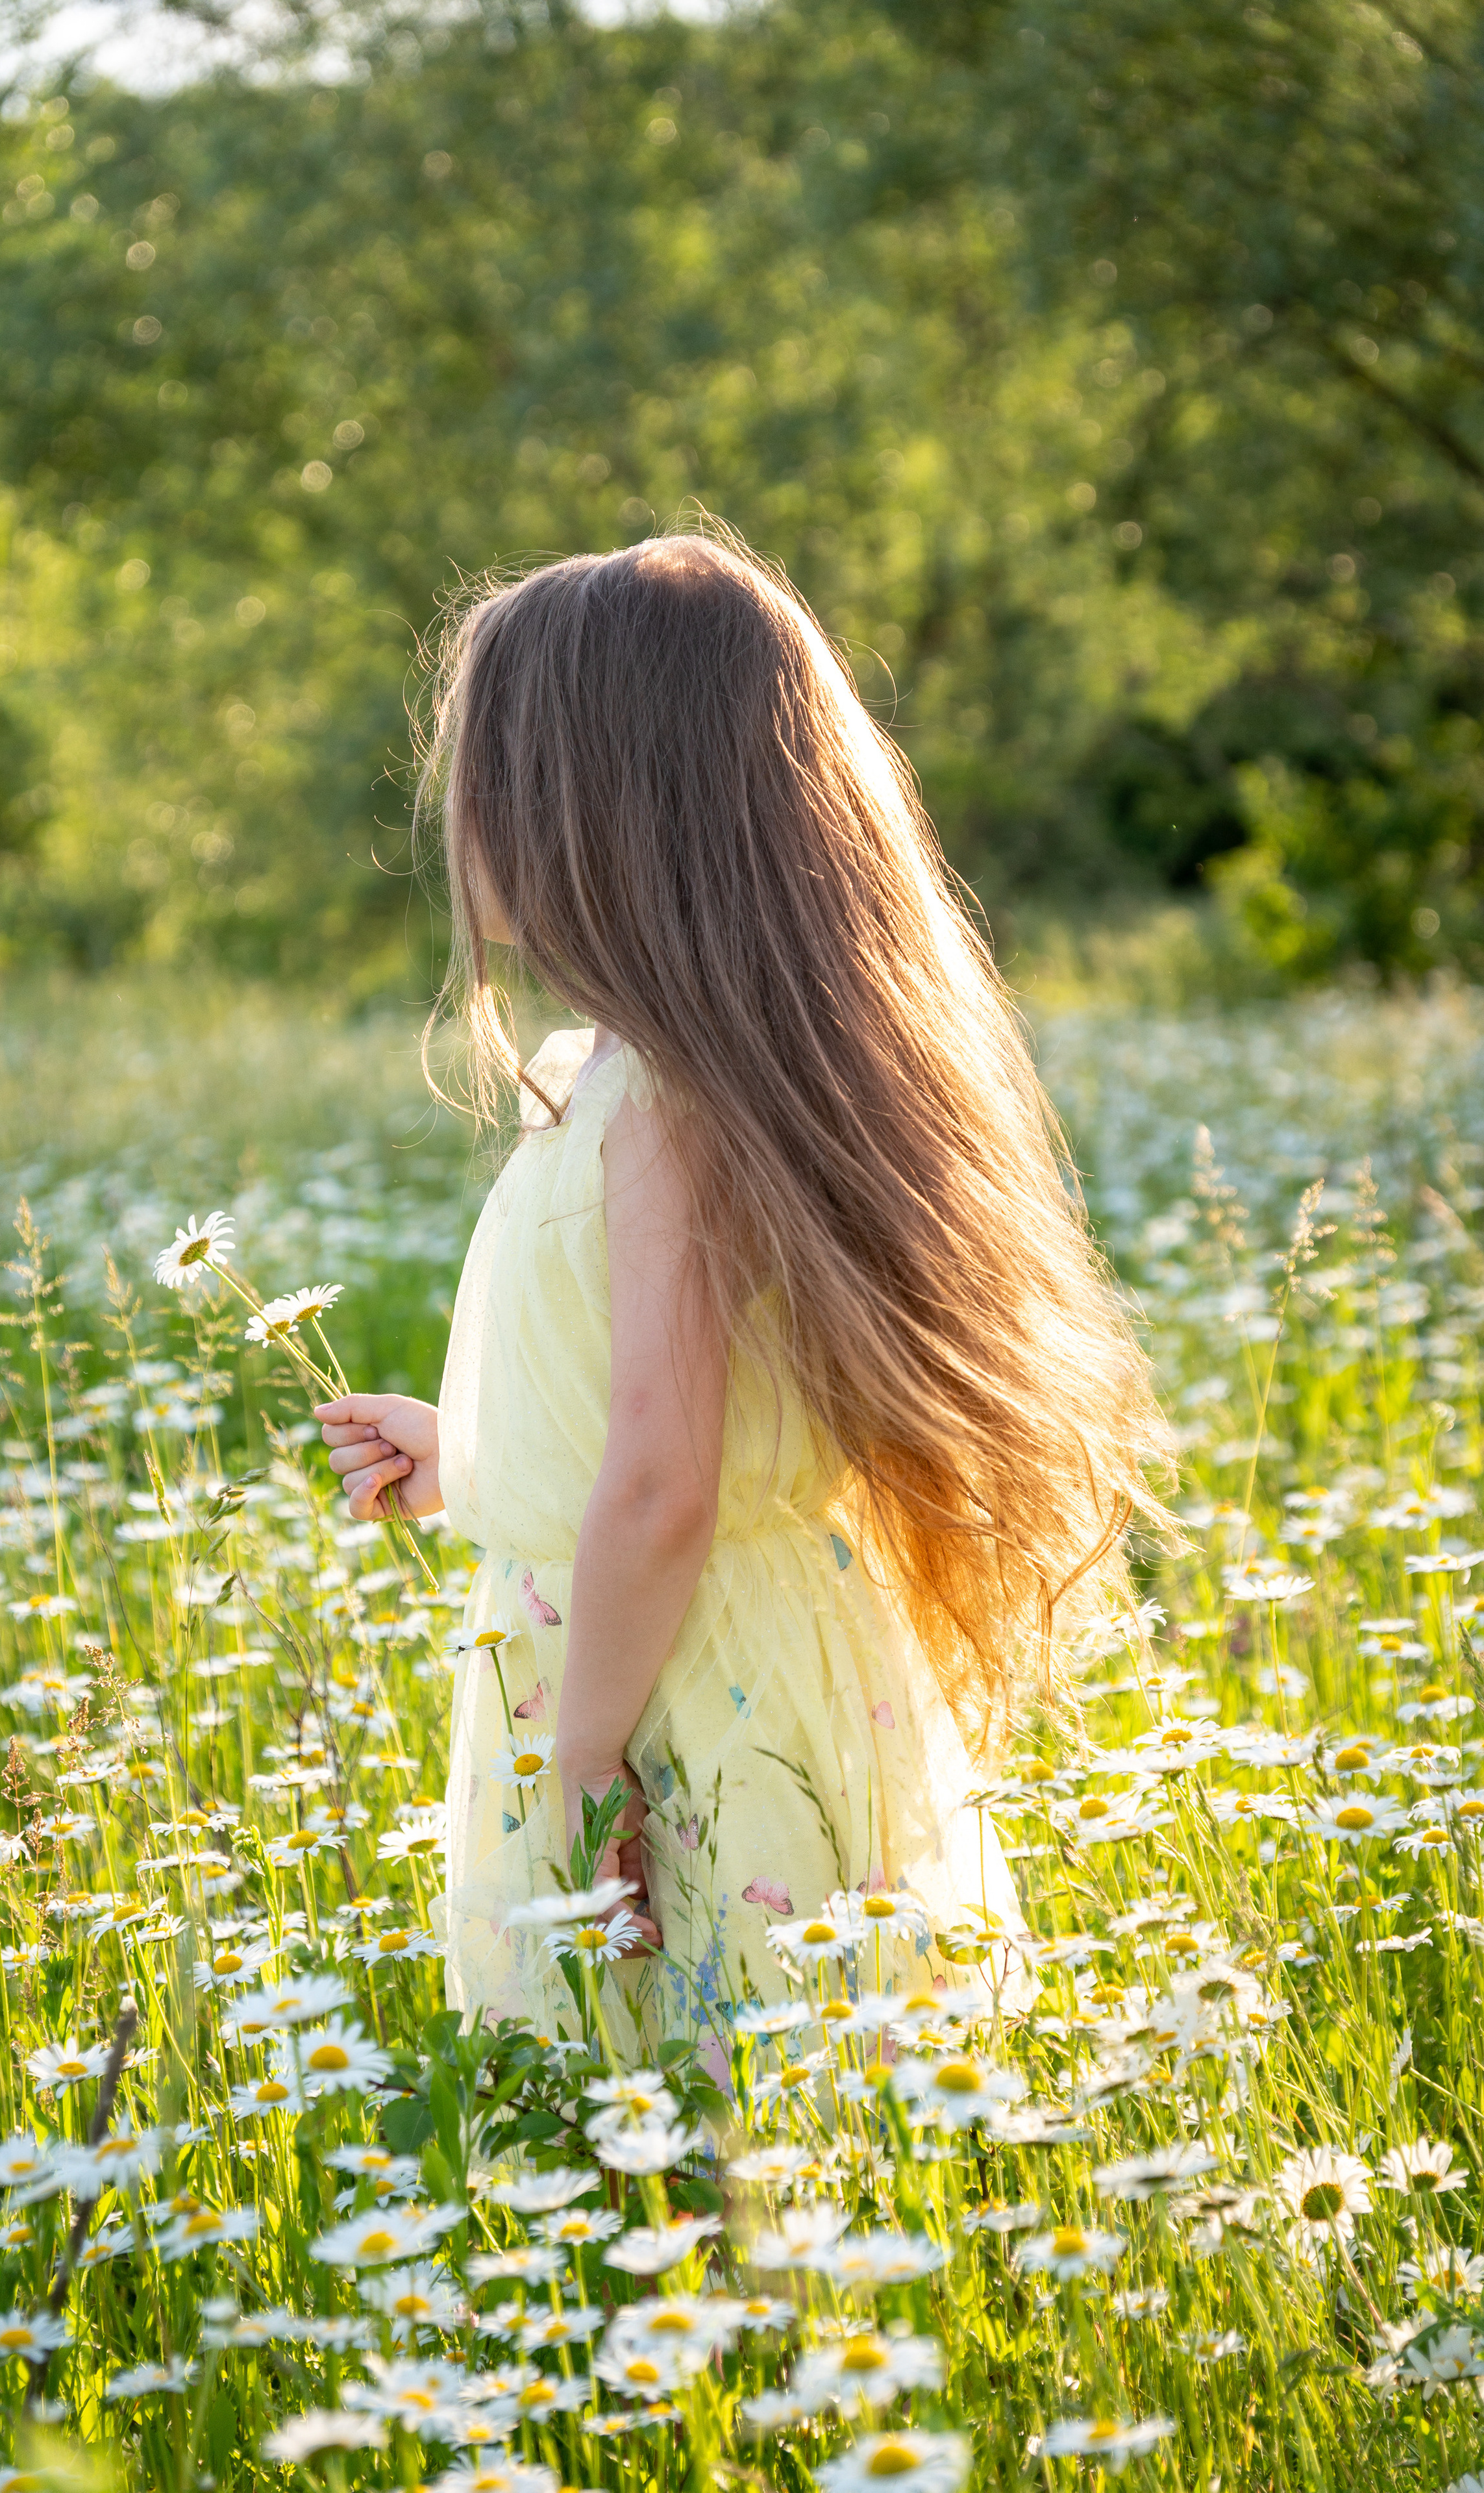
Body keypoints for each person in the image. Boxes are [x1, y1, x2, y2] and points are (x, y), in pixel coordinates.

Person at [317, 530, 1167, 2055]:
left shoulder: (658, 1105)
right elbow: (666, 1425)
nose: (453, 815)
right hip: (696, 1646)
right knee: (747, 2108)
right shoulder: (636, 1082)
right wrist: (482, 1460)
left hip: (669, 1701)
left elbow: (662, 1486)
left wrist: (581, 1771)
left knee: (707, 2109)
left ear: (589, 814)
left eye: (484, 774)